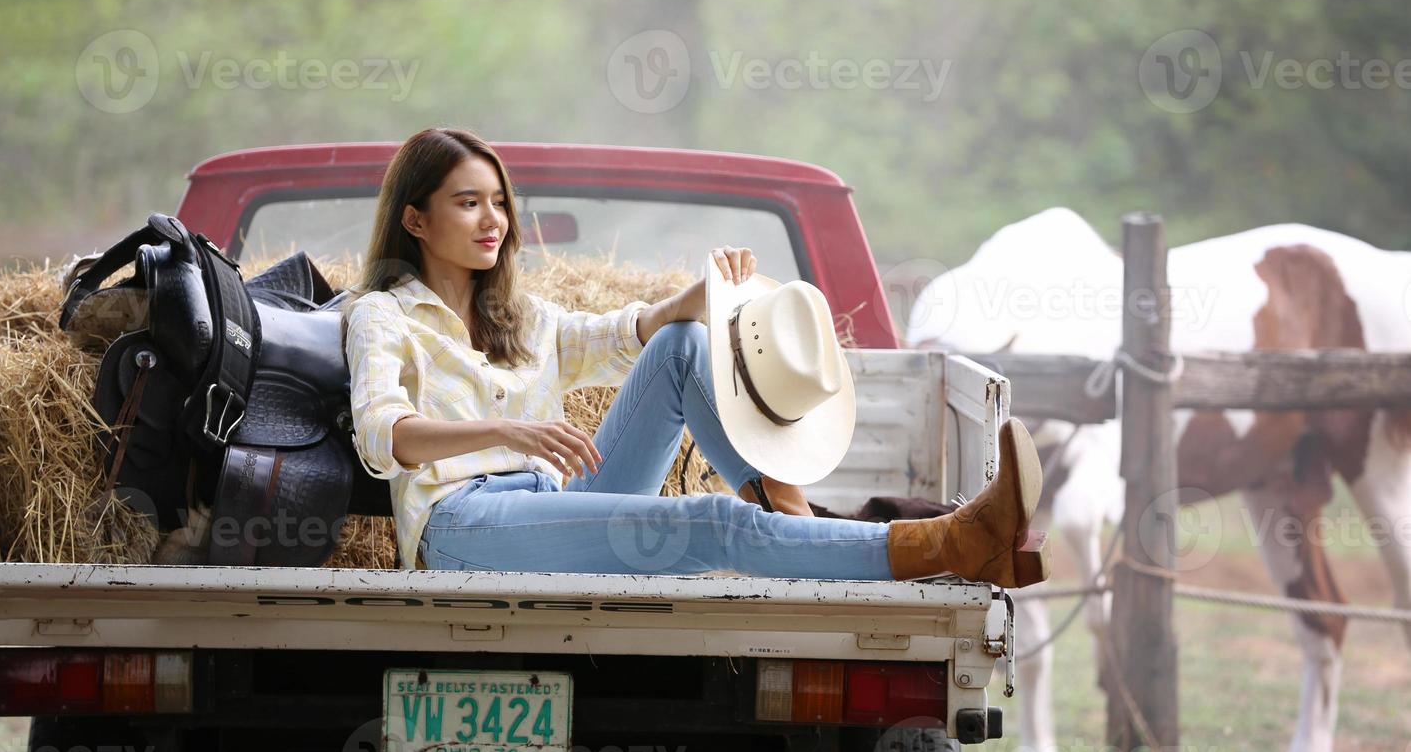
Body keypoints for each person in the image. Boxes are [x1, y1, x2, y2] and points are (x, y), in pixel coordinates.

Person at [342, 126, 1049, 586]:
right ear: (415, 218)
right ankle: (951, 544)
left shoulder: (516, 315)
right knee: (712, 525)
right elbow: (383, 437)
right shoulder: (381, 315)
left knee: (685, 344)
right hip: (465, 528)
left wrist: (696, 297)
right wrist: (506, 431)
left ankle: (785, 510)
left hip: (552, 508)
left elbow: (625, 334)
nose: (494, 219)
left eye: (498, 201)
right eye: (468, 203)